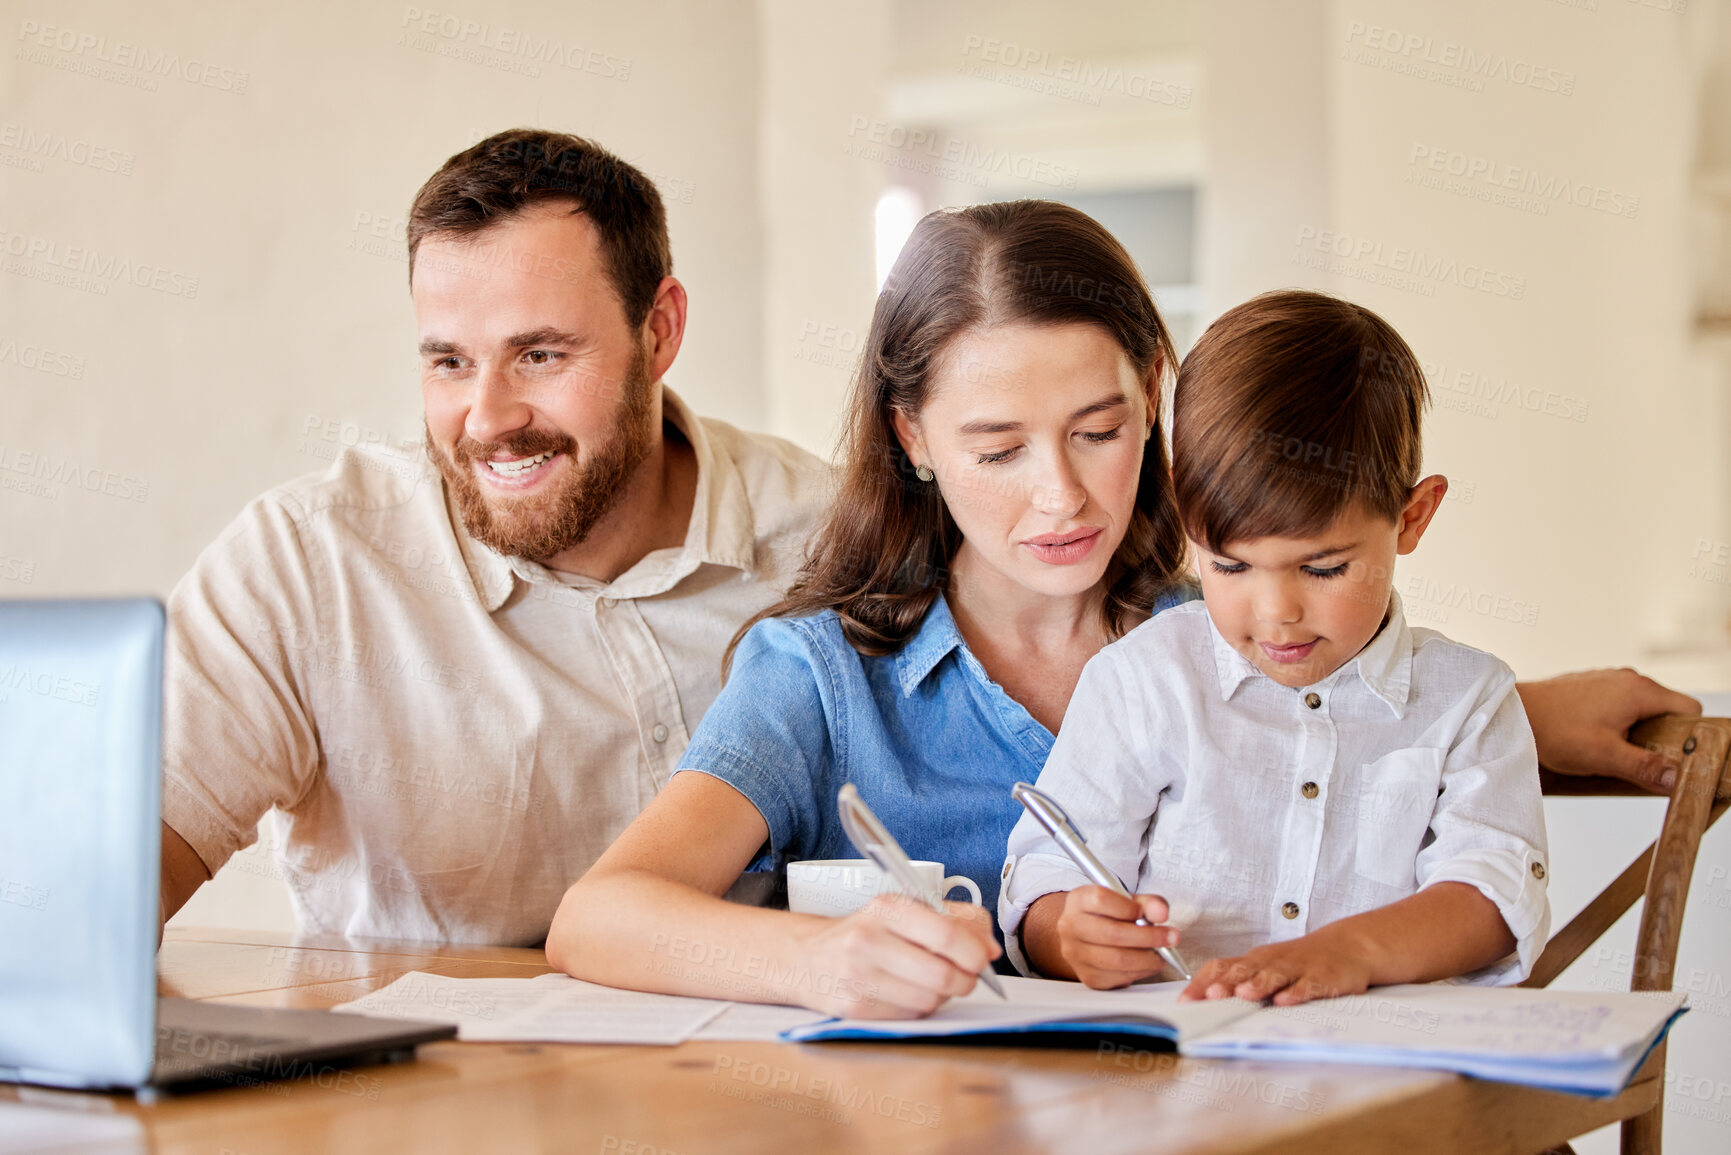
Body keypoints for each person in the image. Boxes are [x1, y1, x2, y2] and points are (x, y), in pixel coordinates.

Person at [156, 129, 828, 942]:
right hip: (423, 1069)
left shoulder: (833, 539)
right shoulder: (310, 562)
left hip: (760, 1064)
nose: (488, 419)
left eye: (539, 354)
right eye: (448, 363)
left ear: (659, 331)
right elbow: (116, 863)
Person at [1002, 291, 1548, 1004]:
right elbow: (1044, 873)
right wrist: (1069, 933)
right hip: (1173, 1080)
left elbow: (1494, 892)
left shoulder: (1466, 698)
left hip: (1385, 1081)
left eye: (1322, 568)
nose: (1276, 612)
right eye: (1228, 566)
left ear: (1411, 517)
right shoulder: (1144, 680)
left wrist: (1348, 951)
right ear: (1183, 512)